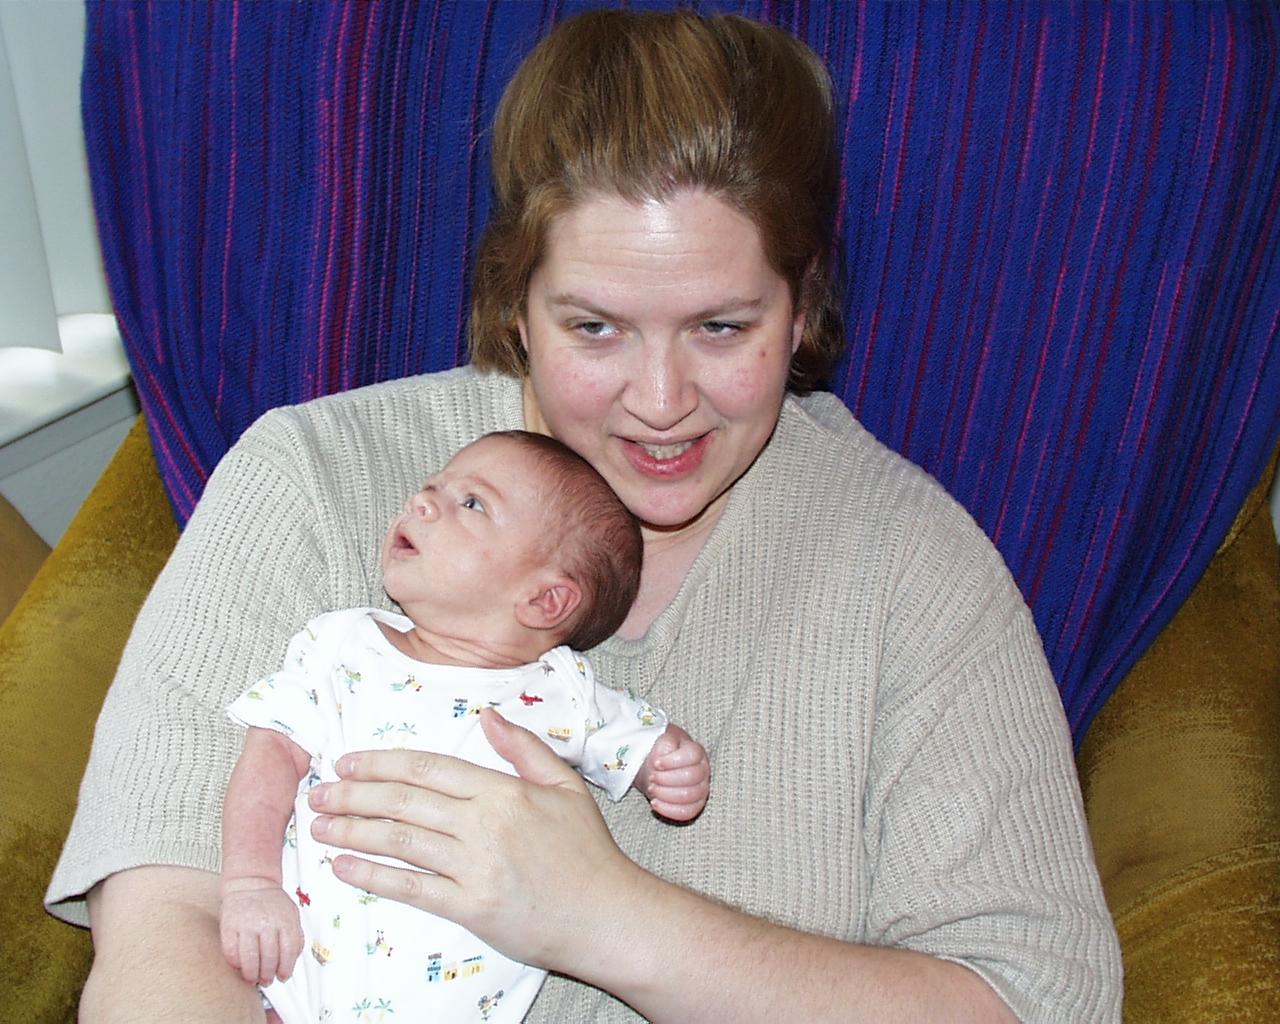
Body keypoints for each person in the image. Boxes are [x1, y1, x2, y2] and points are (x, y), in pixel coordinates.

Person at [50, 9, 1123, 1023]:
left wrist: (605, 917)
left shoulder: (909, 568)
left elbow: (1038, 997)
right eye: (595, 327)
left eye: (720, 326)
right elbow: (164, 931)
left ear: (801, 309)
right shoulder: (313, 481)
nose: (659, 402)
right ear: (514, 305)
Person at [220, 430, 709, 1023]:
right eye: (433, 485)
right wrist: (249, 883)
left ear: (545, 600)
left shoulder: (564, 691)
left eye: (472, 503)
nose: (422, 501)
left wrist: (670, 766)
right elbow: (270, 756)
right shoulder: (343, 645)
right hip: (300, 987)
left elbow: (646, 745)